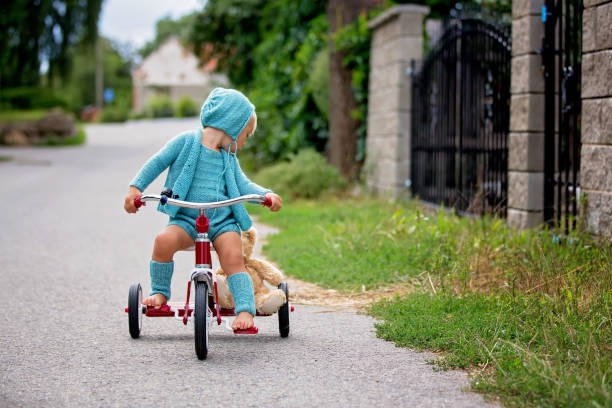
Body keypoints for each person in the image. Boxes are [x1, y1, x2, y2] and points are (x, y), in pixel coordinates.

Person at [123, 88, 282, 331]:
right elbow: (157, 162)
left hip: (222, 222)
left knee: (233, 257)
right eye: (246, 134)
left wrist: (265, 195)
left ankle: (245, 310)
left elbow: (243, 185)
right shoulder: (186, 142)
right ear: (233, 125)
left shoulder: (229, 159)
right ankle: (160, 293)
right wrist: (136, 189)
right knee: (163, 241)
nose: (245, 142)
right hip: (187, 218)